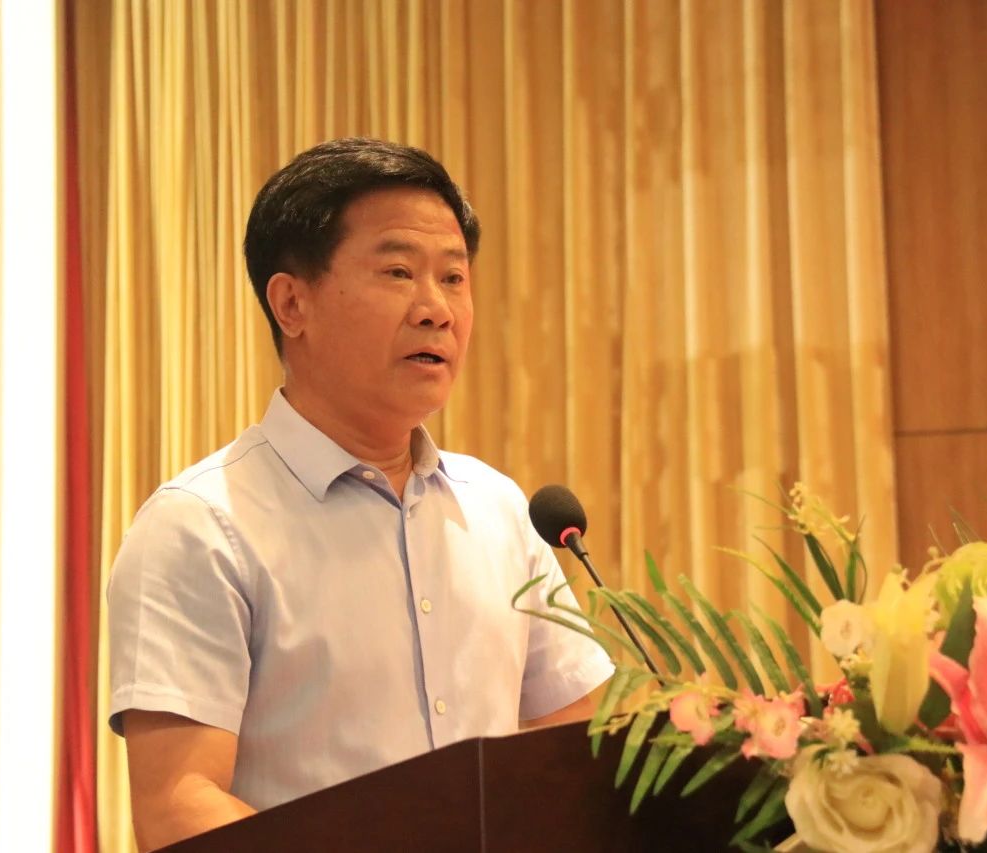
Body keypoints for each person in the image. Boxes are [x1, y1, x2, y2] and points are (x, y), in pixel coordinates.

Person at [106, 138, 613, 850]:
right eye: (399, 272)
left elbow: (576, 747)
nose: (437, 309)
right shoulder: (201, 527)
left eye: (454, 277)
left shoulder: (501, 511)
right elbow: (179, 806)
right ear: (292, 303)